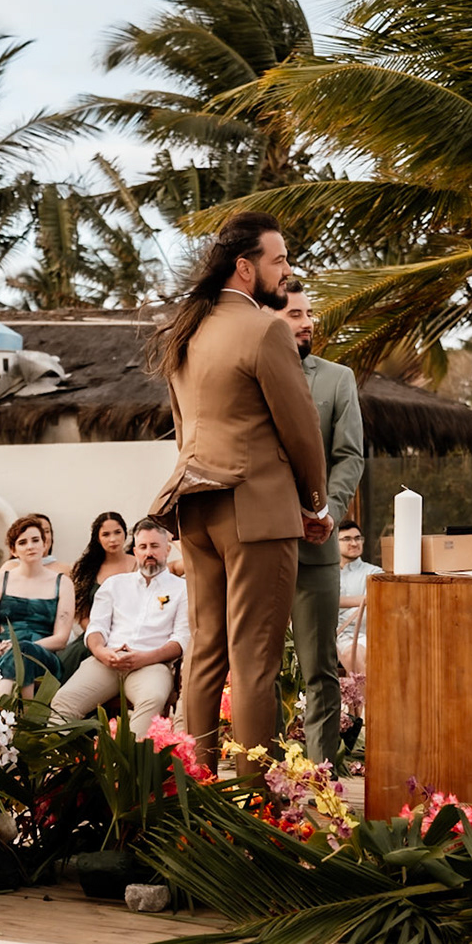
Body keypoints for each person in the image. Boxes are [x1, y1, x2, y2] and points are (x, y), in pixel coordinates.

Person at [148, 211, 329, 774]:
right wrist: (314, 501)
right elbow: (300, 428)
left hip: (194, 508)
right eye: (279, 260)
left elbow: (183, 430)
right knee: (255, 664)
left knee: (205, 653)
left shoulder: (186, 329)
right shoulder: (265, 329)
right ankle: (256, 802)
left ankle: (194, 783)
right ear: (246, 268)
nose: (287, 269)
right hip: (255, 511)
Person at [277, 278, 365, 763]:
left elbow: (350, 455)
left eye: (309, 313)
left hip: (317, 545)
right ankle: (263, 776)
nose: (308, 322)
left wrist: (325, 510)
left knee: (320, 670)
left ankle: (320, 776)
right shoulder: (246, 377)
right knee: (260, 670)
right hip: (261, 546)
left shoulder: (337, 378)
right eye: (295, 313)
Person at [50, 518, 187, 736]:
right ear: (135, 551)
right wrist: (101, 652)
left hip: (152, 664)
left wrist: (145, 657)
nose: (148, 552)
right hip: (107, 661)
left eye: (154, 546)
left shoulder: (182, 589)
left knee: (153, 700)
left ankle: (129, 765)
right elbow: (96, 628)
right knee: (64, 701)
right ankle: (64, 766)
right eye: (143, 547)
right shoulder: (115, 585)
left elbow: (181, 640)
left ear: (167, 549)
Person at [0, 517, 75, 687]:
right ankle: (16, 711)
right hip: (1, 654)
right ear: (13, 550)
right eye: (22, 542)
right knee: (18, 657)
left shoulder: (63, 583)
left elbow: (61, 639)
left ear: (45, 544)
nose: (30, 546)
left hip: (44, 657)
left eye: (35, 540)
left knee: (24, 650)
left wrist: (20, 648)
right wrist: (0, 649)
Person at [59, 512, 134, 678]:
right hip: (94, 637)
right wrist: (98, 638)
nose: (112, 539)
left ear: (125, 533)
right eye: (106, 534)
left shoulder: (138, 565)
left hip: (130, 636)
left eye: (117, 532)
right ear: (97, 538)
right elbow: (84, 616)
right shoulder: (88, 570)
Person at [335, 521, 378, 675]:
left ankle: (365, 698)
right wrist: (361, 599)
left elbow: (376, 601)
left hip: (364, 634)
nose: (354, 543)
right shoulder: (327, 574)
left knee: (355, 654)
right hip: (332, 635)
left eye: (358, 538)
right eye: (347, 539)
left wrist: (337, 602)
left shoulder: (374, 573)